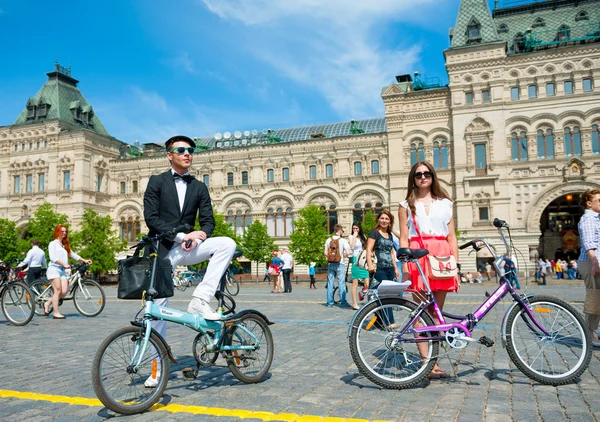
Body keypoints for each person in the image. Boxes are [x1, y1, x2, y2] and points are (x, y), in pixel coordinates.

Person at [144, 135, 236, 386]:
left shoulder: (199, 186)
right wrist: (183, 235)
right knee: (156, 311)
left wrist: (199, 236)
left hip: (188, 247)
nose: (188, 154)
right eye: (181, 150)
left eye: (191, 150)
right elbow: (151, 219)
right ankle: (156, 368)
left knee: (227, 244)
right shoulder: (156, 182)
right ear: (169, 155)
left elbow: (208, 221)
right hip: (163, 250)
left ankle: (200, 299)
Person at [398, 161, 458, 379]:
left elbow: (452, 236)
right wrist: (405, 267)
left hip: (442, 256)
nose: (422, 177)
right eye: (418, 175)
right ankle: (427, 362)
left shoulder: (446, 204)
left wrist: (456, 265)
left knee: (436, 313)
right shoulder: (405, 205)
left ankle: (433, 359)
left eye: (426, 173)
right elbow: (404, 237)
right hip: (417, 254)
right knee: (419, 312)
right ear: (412, 179)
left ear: (433, 176)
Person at [44, 225, 92, 319]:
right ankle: (56, 313)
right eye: (62, 231)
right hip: (54, 269)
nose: (64, 233)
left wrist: (84, 260)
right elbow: (53, 258)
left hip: (62, 271)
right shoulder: (53, 244)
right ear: (57, 232)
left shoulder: (64, 245)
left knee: (64, 291)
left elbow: (72, 254)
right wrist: (63, 264)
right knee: (57, 290)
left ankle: (48, 303)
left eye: (65, 231)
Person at [577, 189, 600, 346]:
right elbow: (589, 242)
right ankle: (589, 333)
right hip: (592, 262)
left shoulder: (596, 218)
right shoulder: (588, 219)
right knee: (595, 299)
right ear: (589, 203)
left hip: (595, 261)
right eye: (599, 200)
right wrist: (594, 263)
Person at [367, 210, 400, 284]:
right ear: (378, 220)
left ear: (390, 221)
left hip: (390, 269)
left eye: (386, 219)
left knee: (389, 292)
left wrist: (396, 269)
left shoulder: (390, 235)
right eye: (382, 218)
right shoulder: (374, 232)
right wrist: (370, 265)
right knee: (383, 290)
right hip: (379, 268)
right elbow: (368, 249)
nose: (384, 221)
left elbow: (391, 253)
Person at [324, 224, 352, 308]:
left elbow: (325, 253)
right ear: (339, 231)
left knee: (330, 283)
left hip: (330, 264)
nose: (342, 232)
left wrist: (330, 257)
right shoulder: (343, 240)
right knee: (341, 283)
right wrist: (344, 256)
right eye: (342, 231)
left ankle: (329, 303)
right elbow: (347, 252)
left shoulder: (328, 240)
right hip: (340, 264)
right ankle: (343, 302)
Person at [349, 223, 369, 309]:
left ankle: (362, 293)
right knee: (355, 283)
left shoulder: (363, 236)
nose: (355, 230)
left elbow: (367, 247)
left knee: (367, 283)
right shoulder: (351, 236)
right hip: (355, 260)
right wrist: (354, 236)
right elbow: (352, 247)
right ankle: (354, 303)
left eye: (357, 228)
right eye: (354, 228)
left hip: (363, 260)